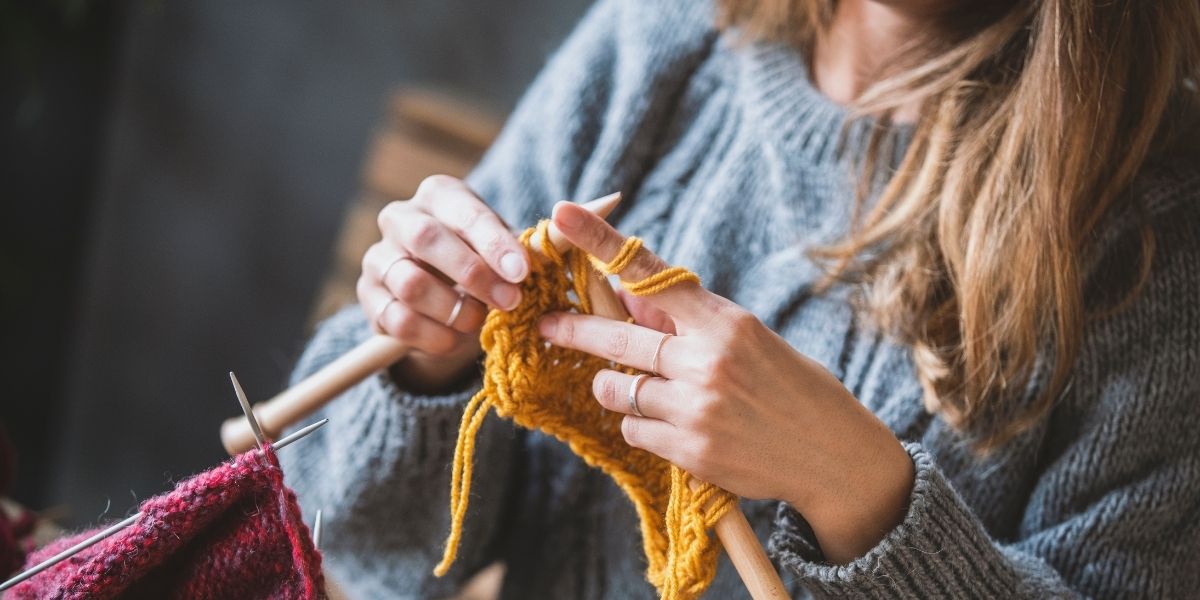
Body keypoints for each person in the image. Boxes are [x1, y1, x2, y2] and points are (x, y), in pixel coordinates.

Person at [279, 0, 1200, 597]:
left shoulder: (1154, 240)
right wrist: (431, 358)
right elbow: (364, 553)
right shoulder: (664, 44)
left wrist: (857, 488)